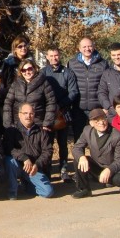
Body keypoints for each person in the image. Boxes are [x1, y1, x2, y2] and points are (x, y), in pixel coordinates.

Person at [71, 108, 120, 202]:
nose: (101, 123)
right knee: (78, 160)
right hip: (98, 166)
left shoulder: (118, 136)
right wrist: (82, 157)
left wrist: (109, 169)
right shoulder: (87, 131)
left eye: (103, 119)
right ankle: (84, 189)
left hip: (114, 169)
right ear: (91, 123)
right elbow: (76, 147)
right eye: (96, 120)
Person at [42, 46, 78, 182]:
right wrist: (51, 107)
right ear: (47, 57)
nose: (54, 58)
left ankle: (64, 170)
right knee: (48, 144)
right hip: (48, 114)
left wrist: (61, 104)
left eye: (56, 55)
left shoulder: (68, 72)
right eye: (51, 56)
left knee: (63, 144)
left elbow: (73, 92)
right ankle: (47, 170)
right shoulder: (43, 72)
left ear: (60, 55)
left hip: (63, 113)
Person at [3, 103, 54, 200]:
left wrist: (37, 165)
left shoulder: (41, 131)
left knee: (48, 192)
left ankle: (26, 186)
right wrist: (24, 158)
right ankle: (12, 192)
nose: (28, 116)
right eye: (25, 113)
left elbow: (48, 151)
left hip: (33, 169)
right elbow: (8, 148)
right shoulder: (11, 130)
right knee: (9, 161)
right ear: (19, 115)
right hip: (17, 165)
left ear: (34, 115)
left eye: (31, 113)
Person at [67, 37, 108, 142]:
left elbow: (106, 86)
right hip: (78, 107)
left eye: (89, 46)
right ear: (79, 49)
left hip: (97, 107)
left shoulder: (103, 64)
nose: (87, 49)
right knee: (79, 137)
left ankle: (98, 158)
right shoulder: (72, 63)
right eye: (84, 47)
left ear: (94, 47)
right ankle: (79, 158)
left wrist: (105, 106)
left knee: (97, 137)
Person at [2, 59, 56, 131]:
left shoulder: (44, 83)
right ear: (20, 72)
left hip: (38, 124)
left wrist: (47, 123)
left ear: (35, 68)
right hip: (18, 124)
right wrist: (8, 124)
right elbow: (8, 103)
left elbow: (51, 103)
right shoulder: (15, 84)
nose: (27, 72)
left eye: (30, 69)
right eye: (23, 70)